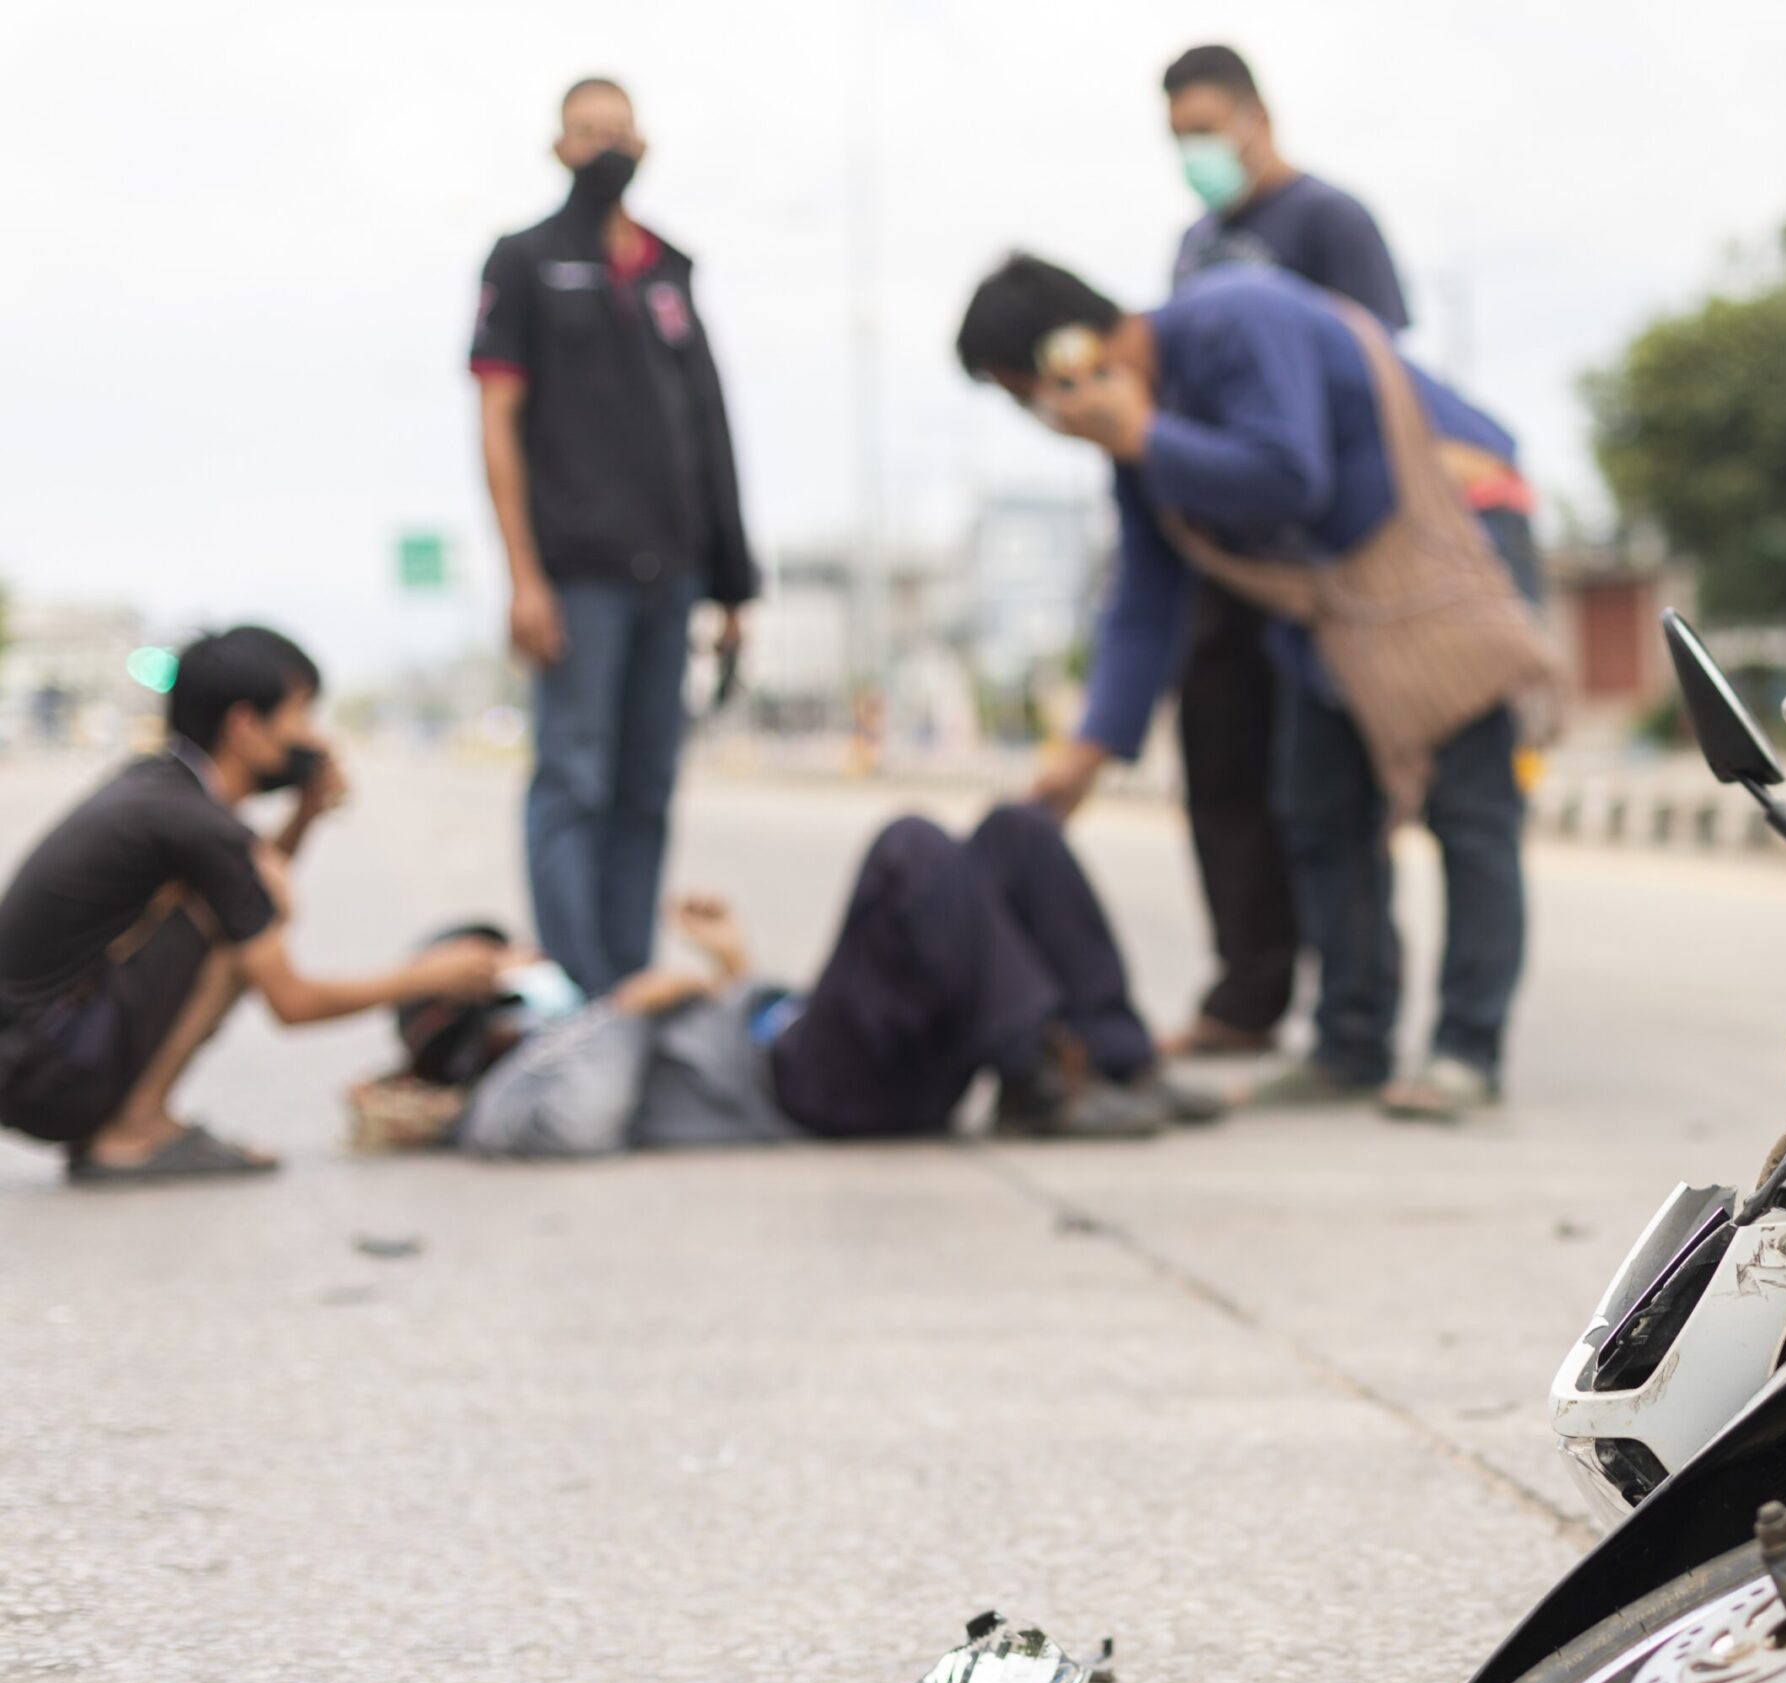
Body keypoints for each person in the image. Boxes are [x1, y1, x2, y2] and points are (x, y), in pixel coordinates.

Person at [958, 253, 1554, 1122]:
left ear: (1069, 347)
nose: (1043, 415)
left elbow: (1289, 469)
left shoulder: (1235, 319)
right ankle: (1350, 1048)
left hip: (1447, 548)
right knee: (1317, 809)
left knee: (1469, 808)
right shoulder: (1135, 435)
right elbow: (1146, 597)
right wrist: (1087, 754)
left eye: (1026, 391)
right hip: (1338, 598)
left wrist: (1146, 439)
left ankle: (1467, 1050)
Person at [0, 626, 518, 1183]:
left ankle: (129, 1122)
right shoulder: (195, 823)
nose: (313, 740)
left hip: (35, 1060)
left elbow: (246, 884)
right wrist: (427, 975)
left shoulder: (163, 787)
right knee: (243, 928)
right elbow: (289, 1000)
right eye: (300, 715)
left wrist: (306, 814)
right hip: (48, 1076)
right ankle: (132, 1133)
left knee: (248, 907)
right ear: (245, 726)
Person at [430, 802, 1217, 1160]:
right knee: (909, 849)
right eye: (492, 964)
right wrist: (624, 1012)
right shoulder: (511, 1083)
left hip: (818, 1048)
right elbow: (577, 1126)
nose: (520, 961)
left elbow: (742, 1034)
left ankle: (1117, 1062)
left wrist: (735, 970)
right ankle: (1037, 1076)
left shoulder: (570, 1028)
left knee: (1015, 832)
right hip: (808, 1094)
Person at [1153, 42, 1415, 1060]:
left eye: (1207, 128)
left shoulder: (1327, 219)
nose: (1195, 152)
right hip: (1225, 551)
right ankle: (1247, 990)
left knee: (1325, 792)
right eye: (1177, 136)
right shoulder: (1191, 244)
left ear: (1256, 118)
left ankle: (1354, 1006)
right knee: (1219, 767)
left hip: (1319, 550)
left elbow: (1382, 371)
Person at [472, 75, 757, 996]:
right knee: (574, 779)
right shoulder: (525, 261)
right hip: (577, 576)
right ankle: (576, 991)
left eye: (619, 133)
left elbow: (708, 424)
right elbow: (497, 419)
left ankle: (628, 984)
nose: (605, 148)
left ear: (646, 146)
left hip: (669, 575)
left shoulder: (671, 270)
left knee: (645, 789)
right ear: (559, 148)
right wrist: (524, 575)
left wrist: (733, 581)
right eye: (587, 133)